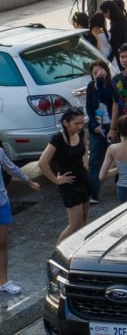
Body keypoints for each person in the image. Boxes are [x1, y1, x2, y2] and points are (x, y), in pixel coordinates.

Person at [38, 107, 93, 244]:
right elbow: (42, 163)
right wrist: (56, 180)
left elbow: (85, 145)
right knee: (74, 225)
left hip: (83, 179)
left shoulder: (80, 133)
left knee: (84, 218)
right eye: (76, 123)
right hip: (69, 184)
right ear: (65, 123)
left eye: (82, 123)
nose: (80, 126)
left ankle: (78, 248)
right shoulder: (57, 139)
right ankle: (57, 252)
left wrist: (85, 160)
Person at [0, 147, 41, 293]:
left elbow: (12, 168)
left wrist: (29, 182)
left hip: (2, 203)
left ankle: (3, 281)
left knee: (2, 243)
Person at [84, 59, 116, 203]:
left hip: (112, 126)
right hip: (97, 127)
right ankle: (93, 194)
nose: (98, 74)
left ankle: (122, 182)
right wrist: (94, 123)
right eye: (95, 72)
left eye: (101, 71)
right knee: (95, 161)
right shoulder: (91, 86)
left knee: (118, 156)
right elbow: (89, 107)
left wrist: (101, 82)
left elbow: (104, 98)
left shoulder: (111, 85)